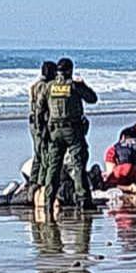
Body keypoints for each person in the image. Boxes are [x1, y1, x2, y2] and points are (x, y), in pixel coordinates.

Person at [41, 57, 98, 211]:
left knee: (53, 167)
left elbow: (40, 109)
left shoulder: (49, 87)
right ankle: (83, 199)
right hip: (72, 129)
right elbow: (93, 99)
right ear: (70, 71)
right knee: (78, 163)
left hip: (54, 130)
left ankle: (48, 199)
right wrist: (83, 84)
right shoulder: (74, 86)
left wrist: (43, 131)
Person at [28, 61, 57, 186]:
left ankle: (33, 182)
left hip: (34, 123)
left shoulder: (35, 86)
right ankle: (40, 183)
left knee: (38, 154)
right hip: (42, 123)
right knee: (45, 155)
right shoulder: (46, 87)